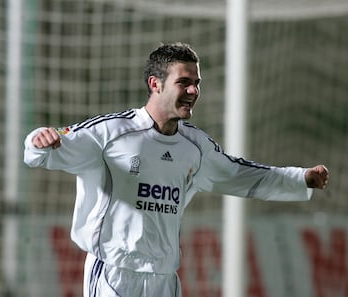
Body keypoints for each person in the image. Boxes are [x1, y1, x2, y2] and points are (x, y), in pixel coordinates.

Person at [24, 42, 329, 297]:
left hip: (165, 277)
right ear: (155, 84)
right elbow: (49, 145)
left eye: (197, 83)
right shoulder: (110, 134)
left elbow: (239, 173)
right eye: (184, 82)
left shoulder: (195, 146)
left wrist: (298, 178)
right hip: (115, 273)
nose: (194, 90)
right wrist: (38, 139)